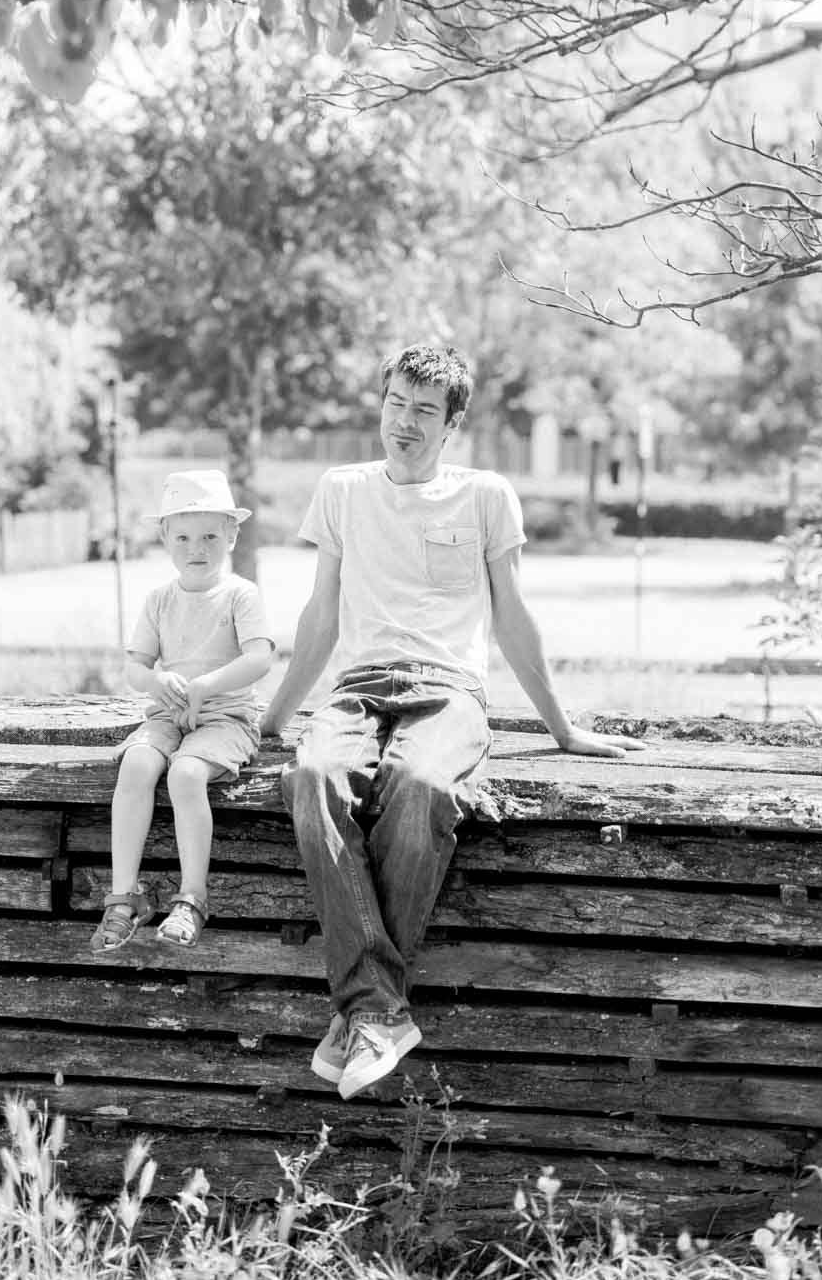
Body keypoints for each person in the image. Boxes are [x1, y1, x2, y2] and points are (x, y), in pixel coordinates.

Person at [261, 344, 639, 1101]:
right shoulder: (342, 491)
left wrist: (562, 729)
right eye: (395, 403)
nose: (404, 422)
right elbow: (321, 615)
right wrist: (272, 717)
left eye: (424, 411)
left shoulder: (486, 496)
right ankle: (381, 1012)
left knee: (421, 783)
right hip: (356, 689)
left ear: (452, 423)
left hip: (449, 690)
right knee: (311, 776)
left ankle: (366, 1010)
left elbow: (513, 619)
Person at [91, 469, 274, 953]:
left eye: (211, 536)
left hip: (226, 718)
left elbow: (260, 657)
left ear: (232, 535)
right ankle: (123, 896)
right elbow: (135, 668)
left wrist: (209, 684)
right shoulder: (159, 599)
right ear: (166, 539)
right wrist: (156, 680)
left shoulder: (240, 594)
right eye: (185, 537)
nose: (198, 548)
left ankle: (192, 897)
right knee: (137, 763)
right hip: (169, 715)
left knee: (186, 775)